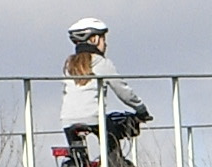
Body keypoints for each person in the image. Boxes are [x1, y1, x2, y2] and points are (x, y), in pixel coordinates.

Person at [59, 17, 152, 153]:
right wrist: (140, 108)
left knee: (79, 159)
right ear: (94, 39)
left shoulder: (69, 64)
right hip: (94, 118)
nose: (106, 44)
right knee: (112, 145)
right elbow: (122, 90)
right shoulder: (102, 63)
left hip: (67, 119)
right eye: (103, 39)